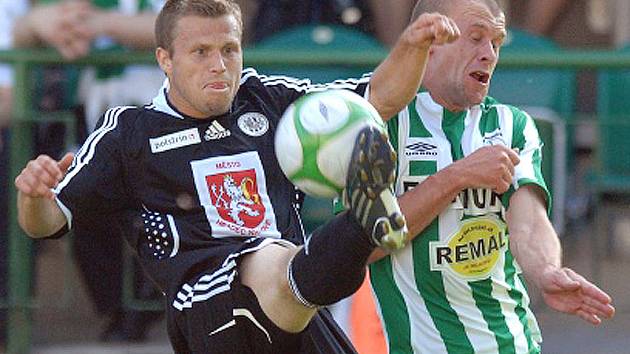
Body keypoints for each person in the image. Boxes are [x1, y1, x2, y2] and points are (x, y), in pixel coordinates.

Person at [14, 0, 460, 353]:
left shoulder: (265, 98)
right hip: (208, 305)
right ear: (164, 60)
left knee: (285, 269)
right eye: (201, 52)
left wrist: (413, 46)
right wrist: (34, 194)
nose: (219, 65)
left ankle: (359, 225)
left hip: (297, 301)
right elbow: (47, 220)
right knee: (269, 257)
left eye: (229, 49)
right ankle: (361, 224)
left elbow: (376, 98)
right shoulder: (130, 132)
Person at [367, 0, 616, 353]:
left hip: (509, 343)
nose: (489, 54)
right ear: (430, 42)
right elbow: (363, 245)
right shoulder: (380, 126)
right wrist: (457, 177)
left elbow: (529, 221)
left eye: (496, 42)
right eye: (475, 37)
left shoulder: (512, 125)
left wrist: (546, 270)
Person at [12, 0, 166, 341]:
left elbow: (178, 26)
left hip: (162, 123)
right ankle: (123, 310)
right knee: (78, 203)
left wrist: (101, 24)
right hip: (94, 125)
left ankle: (151, 301)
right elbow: (20, 34)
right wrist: (40, 22)